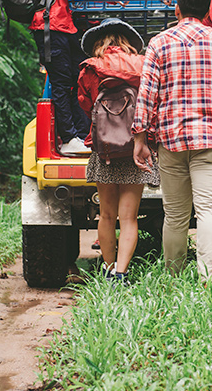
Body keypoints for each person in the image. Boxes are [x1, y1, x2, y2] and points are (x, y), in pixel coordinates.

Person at [132, 0, 212, 285]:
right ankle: (209, 279)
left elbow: (147, 93)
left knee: (175, 215)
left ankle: (174, 279)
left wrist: (140, 138)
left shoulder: (159, 43)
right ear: (208, 10)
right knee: (210, 211)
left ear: (176, 9)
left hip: (171, 141)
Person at [27, 0, 131, 156]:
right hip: (50, 26)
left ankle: (81, 134)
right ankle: (69, 137)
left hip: (62, 24)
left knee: (77, 76)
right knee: (62, 83)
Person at [78, 19, 160, 284]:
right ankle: (122, 273)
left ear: (99, 43)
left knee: (107, 215)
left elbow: (85, 103)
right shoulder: (142, 64)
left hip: (105, 150)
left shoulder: (91, 68)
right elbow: (152, 102)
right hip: (136, 147)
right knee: (129, 217)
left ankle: (108, 267)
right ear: (127, 42)